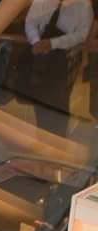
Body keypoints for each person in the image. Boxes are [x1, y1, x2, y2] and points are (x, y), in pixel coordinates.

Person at [24, 0, 94, 136]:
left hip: (64, 60)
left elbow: (81, 35)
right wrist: (36, 42)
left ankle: (57, 138)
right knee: (39, 101)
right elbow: (30, 22)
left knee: (59, 103)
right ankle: (42, 138)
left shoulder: (84, 5)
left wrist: (53, 43)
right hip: (39, 57)